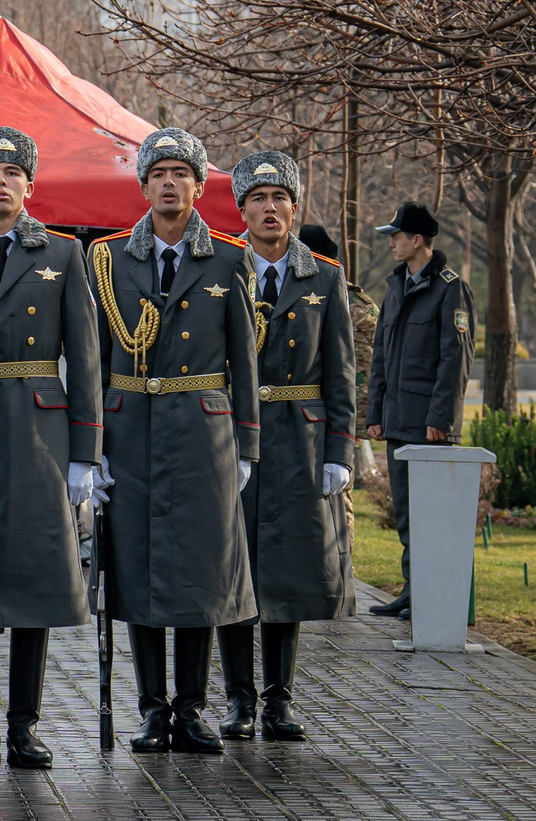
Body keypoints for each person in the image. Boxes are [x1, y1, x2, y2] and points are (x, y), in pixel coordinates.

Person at [92, 127, 260, 754]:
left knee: (199, 570)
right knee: (136, 568)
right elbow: (94, 358)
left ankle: (190, 708)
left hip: (202, 430)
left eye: (181, 174)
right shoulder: (108, 260)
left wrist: (246, 444)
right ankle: (151, 710)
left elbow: (245, 359)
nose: (170, 183)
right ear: (143, 186)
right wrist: (94, 444)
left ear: (197, 186)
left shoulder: (226, 260)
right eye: (158, 173)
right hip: (131, 425)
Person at [0, 128, 100, 770]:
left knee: (36, 576)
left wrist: (86, 452)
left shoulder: (62, 254)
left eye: (14, 172)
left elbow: (86, 356)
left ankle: (24, 725)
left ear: (30, 186)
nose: (2, 181)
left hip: (39, 428)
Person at [218, 151, 357, 740]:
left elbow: (341, 371)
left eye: (279, 199)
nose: (269, 209)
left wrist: (339, 453)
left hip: (300, 438)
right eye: (258, 199)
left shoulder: (322, 277)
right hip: (233, 434)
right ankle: (238, 699)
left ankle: (278, 698)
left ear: (294, 209)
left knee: (288, 572)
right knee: (233, 566)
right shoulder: (222, 269)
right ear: (241, 209)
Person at [364, 200, 474, 620]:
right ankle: (414, 591)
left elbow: (455, 359)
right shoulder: (395, 290)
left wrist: (440, 420)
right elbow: (380, 357)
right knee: (408, 514)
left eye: (397, 236)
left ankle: (433, 595)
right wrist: (375, 415)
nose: (391, 243)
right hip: (396, 422)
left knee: (435, 518)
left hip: (428, 426)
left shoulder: (450, 289)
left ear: (417, 240)